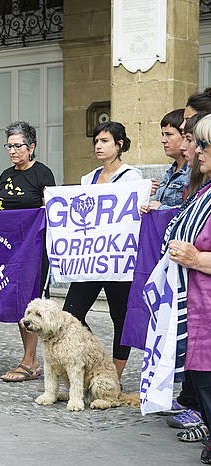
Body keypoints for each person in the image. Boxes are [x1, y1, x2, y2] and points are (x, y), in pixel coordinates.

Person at [62, 121, 142, 381]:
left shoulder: (132, 176)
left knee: (120, 316)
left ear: (119, 144)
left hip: (118, 258)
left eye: (105, 141)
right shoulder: (89, 177)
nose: (99, 145)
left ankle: (114, 375)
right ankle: (96, 355)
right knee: (71, 314)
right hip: (90, 258)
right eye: (96, 141)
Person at [161, 113, 211, 463]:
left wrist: (195, 259)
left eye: (204, 144)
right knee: (202, 381)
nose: (196, 151)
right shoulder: (204, 190)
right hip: (198, 311)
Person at [0, 121, 56, 382]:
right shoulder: (5, 176)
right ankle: (30, 358)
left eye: (17, 146)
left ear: (31, 147)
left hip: (35, 249)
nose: (12, 151)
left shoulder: (43, 174)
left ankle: (31, 361)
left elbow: (50, 212)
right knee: (20, 304)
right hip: (10, 249)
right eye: (8, 146)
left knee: (33, 303)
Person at [142, 109, 188, 212]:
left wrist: (161, 209)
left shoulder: (193, 172)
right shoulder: (171, 171)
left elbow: (192, 210)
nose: (163, 140)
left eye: (169, 134)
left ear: (184, 136)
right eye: (162, 135)